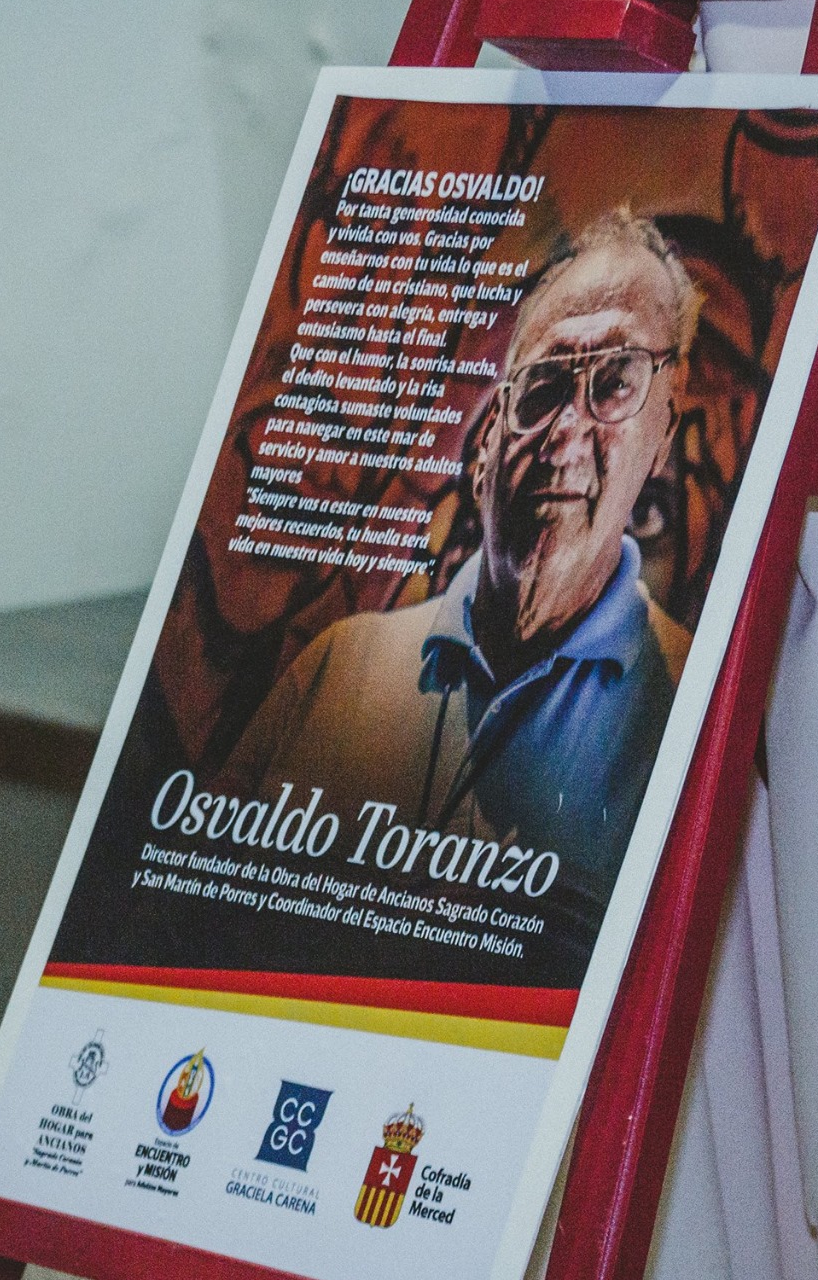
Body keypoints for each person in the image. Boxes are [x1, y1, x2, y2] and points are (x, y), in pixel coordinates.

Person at [220, 209, 702, 897]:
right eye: (543, 385)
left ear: (662, 434)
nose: (566, 432)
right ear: (490, 439)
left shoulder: (694, 713)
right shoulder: (336, 670)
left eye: (615, 382)